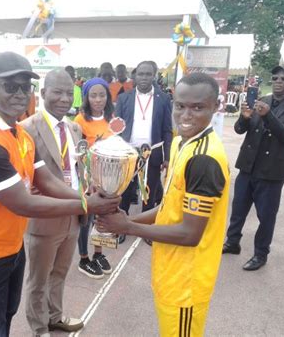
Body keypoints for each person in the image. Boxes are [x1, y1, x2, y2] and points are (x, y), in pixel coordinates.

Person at [0, 52, 119, 337]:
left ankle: (52, 317)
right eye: (10, 85)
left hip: (10, 247)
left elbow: (46, 180)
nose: (20, 93)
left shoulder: (19, 134)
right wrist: (85, 204)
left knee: (4, 319)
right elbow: (23, 203)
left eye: (26, 86)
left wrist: (83, 200)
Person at [98, 72, 230, 337]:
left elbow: (190, 234)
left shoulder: (204, 159)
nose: (186, 115)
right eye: (180, 106)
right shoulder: (182, 143)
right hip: (170, 271)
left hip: (186, 281)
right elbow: (169, 207)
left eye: (198, 107)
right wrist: (127, 222)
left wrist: (129, 227)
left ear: (216, 107)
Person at [222, 64, 284, 271]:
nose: (278, 81)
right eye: (276, 77)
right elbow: (240, 130)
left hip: (271, 172)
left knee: (266, 216)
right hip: (248, 166)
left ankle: (261, 254)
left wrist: (268, 115)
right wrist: (243, 118)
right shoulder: (261, 101)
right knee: (238, 209)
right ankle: (232, 242)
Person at [21, 70, 85, 336]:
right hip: (44, 217)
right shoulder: (27, 128)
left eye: (69, 93)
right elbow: (26, 178)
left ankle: (55, 317)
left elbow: (80, 169)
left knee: (60, 272)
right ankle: (39, 328)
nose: (64, 98)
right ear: (43, 93)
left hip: (74, 215)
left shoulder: (74, 127)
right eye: (57, 92)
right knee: (38, 279)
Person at [115, 60, 172, 217]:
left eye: (148, 74)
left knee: (150, 191)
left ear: (154, 76)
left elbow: (167, 130)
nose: (144, 78)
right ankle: (122, 223)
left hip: (152, 153)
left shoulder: (164, 99)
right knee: (125, 191)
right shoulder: (124, 98)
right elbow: (117, 129)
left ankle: (146, 226)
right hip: (129, 153)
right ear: (135, 76)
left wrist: (168, 157)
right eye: (141, 74)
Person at [74, 77, 115, 279]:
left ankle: (99, 254)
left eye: (102, 95)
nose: (98, 99)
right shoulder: (79, 121)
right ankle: (84, 258)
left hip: (107, 177)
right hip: (87, 178)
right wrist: (86, 180)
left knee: (102, 216)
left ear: (107, 97)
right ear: (86, 97)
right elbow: (78, 153)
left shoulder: (113, 119)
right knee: (86, 217)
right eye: (93, 95)